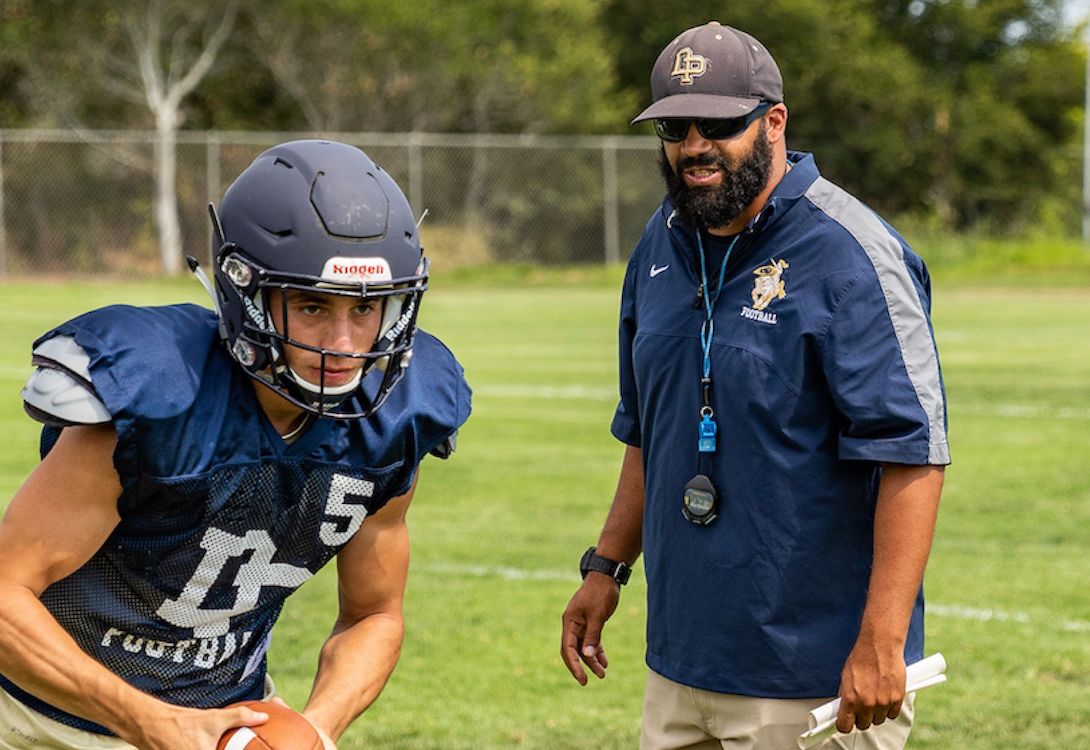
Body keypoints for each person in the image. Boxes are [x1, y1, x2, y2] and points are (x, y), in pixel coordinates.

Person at [0, 140, 471, 750]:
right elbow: (6, 593)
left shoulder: (397, 413)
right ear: (244, 294)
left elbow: (374, 614)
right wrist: (149, 721)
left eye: (367, 309)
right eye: (310, 305)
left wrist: (312, 730)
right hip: (41, 715)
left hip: (227, 715)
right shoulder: (162, 392)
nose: (346, 343)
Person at [560, 21, 948, 750]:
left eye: (721, 124)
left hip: (814, 680)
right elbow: (650, 427)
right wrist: (605, 567)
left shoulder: (852, 254)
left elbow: (912, 456)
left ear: (774, 121)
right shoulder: (661, 240)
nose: (694, 145)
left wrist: (881, 643)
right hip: (682, 666)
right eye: (675, 127)